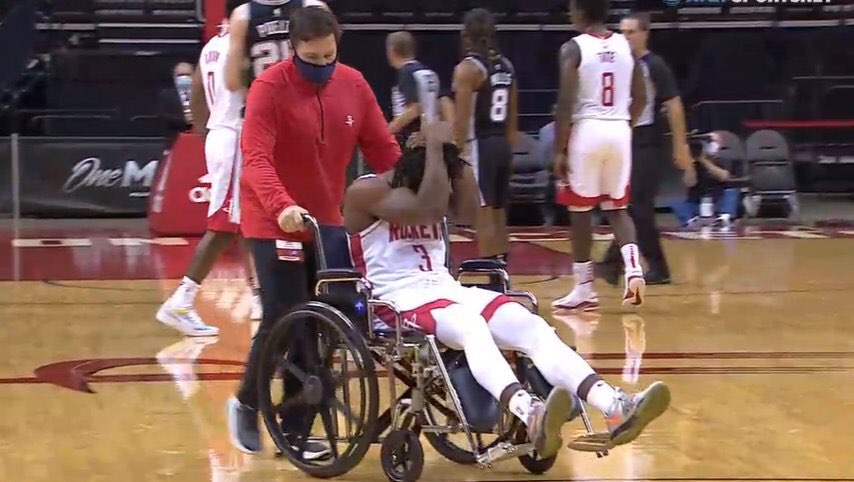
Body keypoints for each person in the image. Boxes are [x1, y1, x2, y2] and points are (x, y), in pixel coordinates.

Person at [343, 114, 671, 456]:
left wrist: (454, 153)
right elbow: (428, 208)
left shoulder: (437, 185)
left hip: (443, 291)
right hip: (394, 302)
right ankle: (529, 412)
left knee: (526, 322)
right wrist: (436, 150)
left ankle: (614, 406)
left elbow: (469, 213)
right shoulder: (367, 191)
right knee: (470, 326)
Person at [226, 7, 401, 457]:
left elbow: (383, 149)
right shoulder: (269, 88)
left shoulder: (354, 85)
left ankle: (296, 430)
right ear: (293, 48)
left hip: (326, 219)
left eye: (328, 56)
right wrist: (282, 205)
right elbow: (256, 157)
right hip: (273, 218)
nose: (321, 65)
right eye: (311, 58)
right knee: (285, 313)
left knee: (324, 321)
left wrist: (411, 189)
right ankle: (246, 402)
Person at [156, 9, 262, 337]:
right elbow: (246, 88)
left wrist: (205, 133)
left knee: (247, 221)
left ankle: (259, 295)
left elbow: (197, 92)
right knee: (224, 226)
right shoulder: (240, 47)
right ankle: (181, 300)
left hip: (220, 133)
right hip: (234, 133)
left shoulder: (212, 45)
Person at [551, 0, 648, 311]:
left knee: (580, 212)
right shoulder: (626, 45)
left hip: (587, 130)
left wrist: (559, 149)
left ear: (580, 12)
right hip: (619, 128)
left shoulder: (573, 48)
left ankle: (583, 288)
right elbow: (642, 97)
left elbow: (565, 104)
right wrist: (624, 124)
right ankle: (633, 269)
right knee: (618, 208)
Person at [595, 12, 696, 285]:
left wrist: (680, 145)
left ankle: (657, 268)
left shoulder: (654, 65)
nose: (626, 37)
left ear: (644, 34)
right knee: (625, 205)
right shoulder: (619, 63)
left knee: (639, 207)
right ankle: (612, 262)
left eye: (631, 32)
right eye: (623, 32)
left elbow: (674, 105)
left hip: (647, 141)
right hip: (623, 139)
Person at [452, 8, 518, 263]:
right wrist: (509, 150)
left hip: (480, 144)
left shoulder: (468, 69)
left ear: (466, 35)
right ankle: (502, 269)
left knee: (484, 211)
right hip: (502, 142)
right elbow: (513, 115)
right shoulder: (507, 66)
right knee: (499, 210)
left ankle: (490, 269)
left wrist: (455, 153)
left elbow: (462, 119)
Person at [223, 0, 329, 93]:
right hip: (307, 98)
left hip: (265, 99)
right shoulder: (313, 7)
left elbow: (233, 81)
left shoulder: (242, 15)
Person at [668, 132, 739, 227]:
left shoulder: (720, 159)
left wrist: (704, 160)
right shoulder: (688, 164)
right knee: (676, 201)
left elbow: (724, 177)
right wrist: (690, 163)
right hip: (697, 202)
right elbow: (690, 183)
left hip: (717, 200)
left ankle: (724, 217)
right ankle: (691, 221)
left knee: (731, 192)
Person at [386, 31, 438, 145]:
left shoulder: (407, 73)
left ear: (392, 50)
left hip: (412, 139)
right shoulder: (428, 73)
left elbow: (414, 109)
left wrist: (387, 132)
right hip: (430, 136)